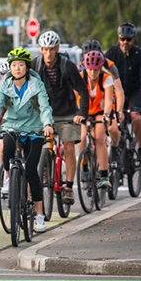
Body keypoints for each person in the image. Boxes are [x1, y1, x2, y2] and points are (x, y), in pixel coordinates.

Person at [0, 48, 53, 232]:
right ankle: (11, 176)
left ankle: (39, 215)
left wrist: (47, 123)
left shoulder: (36, 85)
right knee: (7, 153)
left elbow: (45, 106)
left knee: (32, 171)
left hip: (34, 128)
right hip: (11, 127)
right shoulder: (5, 85)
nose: (17, 68)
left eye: (21, 65)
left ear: (27, 67)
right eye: (14, 65)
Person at [32, 30, 89, 205]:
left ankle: (69, 186)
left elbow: (83, 92)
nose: (48, 53)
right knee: (40, 145)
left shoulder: (68, 66)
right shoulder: (34, 65)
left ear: (57, 48)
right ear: (41, 49)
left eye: (51, 49)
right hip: (44, 113)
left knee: (68, 145)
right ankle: (44, 170)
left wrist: (81, 115)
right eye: (45, 49)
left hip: (67, 113)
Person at [104, 22, 141, 163]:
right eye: (122, 39)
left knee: (136, 118)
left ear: (134, 39)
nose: (125, 42)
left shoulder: (140, 55)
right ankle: (115, 148)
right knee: (113, 121)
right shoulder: (111, 54)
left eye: (129, 39)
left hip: (134, 92)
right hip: (116, 92)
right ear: (118, 38)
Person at [80, 40, 124, 159]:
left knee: (112, 127)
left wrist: (119, 110)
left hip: (107, 103)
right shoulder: (80, 68)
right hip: (89, 106)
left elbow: (119, 91)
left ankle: (115, 147)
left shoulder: (110, 66)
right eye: (87, 55)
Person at [78, 51, 114, 188]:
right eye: (90, 69)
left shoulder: (106, 78)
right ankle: (84, 169)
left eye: (96, 70)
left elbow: (109, 101)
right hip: (83, 111)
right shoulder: (81, 77)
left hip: (99, 111)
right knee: (82, 137)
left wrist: (106, 114)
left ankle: (104, 175)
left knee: (99, 137)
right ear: (86, 68)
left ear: (100, 68)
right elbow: (74, 96)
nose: (93, 73)